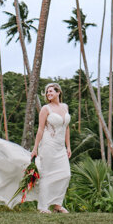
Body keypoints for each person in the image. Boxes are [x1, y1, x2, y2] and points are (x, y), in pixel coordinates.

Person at [30, 81, 72, 213]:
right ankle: (43, 206)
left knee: (66, 174)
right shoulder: (45, 109)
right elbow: (40, 130)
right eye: (47, 92)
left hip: (60, 147)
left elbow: (67, 128)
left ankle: (57, 205)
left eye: (51, 91)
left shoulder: (65, 107)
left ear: (58, 92)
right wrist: (35, 148)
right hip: (48, 144)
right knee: (47, 175)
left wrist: (68, 146)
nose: (48, 93)